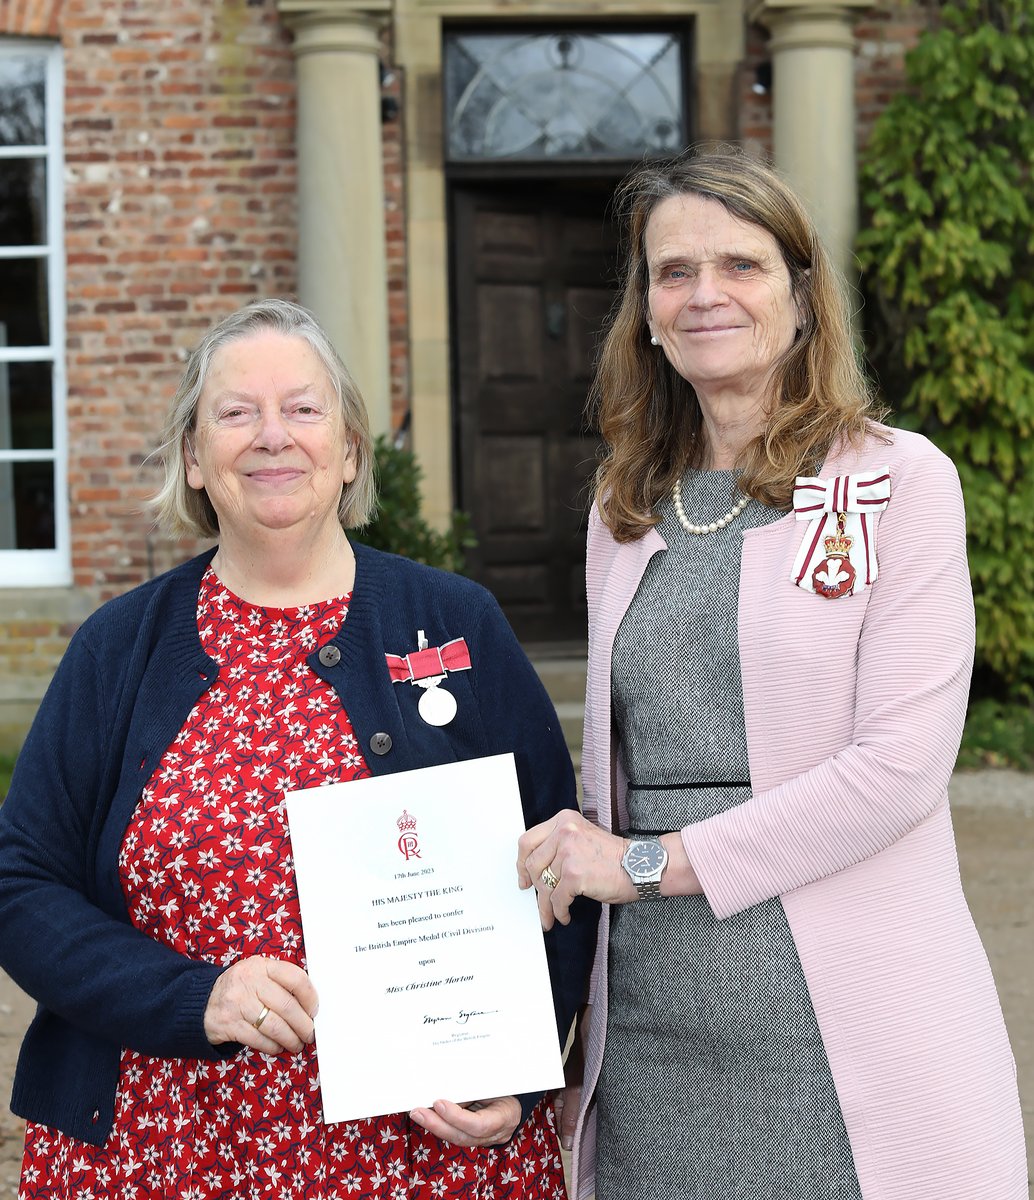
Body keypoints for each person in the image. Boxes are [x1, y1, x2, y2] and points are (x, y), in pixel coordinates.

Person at [516, 150, 1028, 1200]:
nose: (704, 294)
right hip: (654, 1029)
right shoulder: (623, 505)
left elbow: (897, 770)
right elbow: (614, 773)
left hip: (842, 1023)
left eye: (740, 265)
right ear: (645, 315)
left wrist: (642, 864)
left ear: (800, 295)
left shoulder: (895, 480)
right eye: (673, 272)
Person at [0, 298, 595, 1199]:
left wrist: (520, 1067)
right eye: (237, 412)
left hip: (423, 1153)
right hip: (163, 1146)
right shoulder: (117, 648)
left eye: (304, 409)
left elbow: (562, 860)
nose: (272, 435)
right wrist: (195, 998)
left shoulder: (455, 622)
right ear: (193, 458)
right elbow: (20, 883)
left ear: (349, 450)